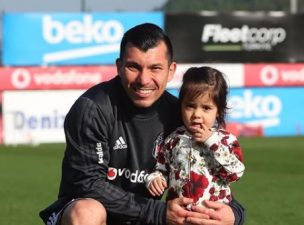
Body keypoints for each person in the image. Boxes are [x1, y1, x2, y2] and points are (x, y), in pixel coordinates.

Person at [39, 23, 245, 225]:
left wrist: (234, 215)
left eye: (155, 68)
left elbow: (210, 177)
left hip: (147, 218)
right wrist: (158, 213)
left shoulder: (179, 116)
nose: (144, 79)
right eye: (133, 67)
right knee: (87, 213)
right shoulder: (93, 108)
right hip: (88, 210)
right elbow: (88, 184)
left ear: (171, 70)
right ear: (119, 66)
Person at [145, 66, 245, 210]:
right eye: (190, 106)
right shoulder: (173, 140)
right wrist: (154, 179)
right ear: (181, 106)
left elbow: (236, 173)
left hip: (212, 217)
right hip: (179, 217)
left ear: (219, 111)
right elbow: (161, 169)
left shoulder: (226, 140)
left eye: (206, 108)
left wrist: (210, 141)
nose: (197, 114)